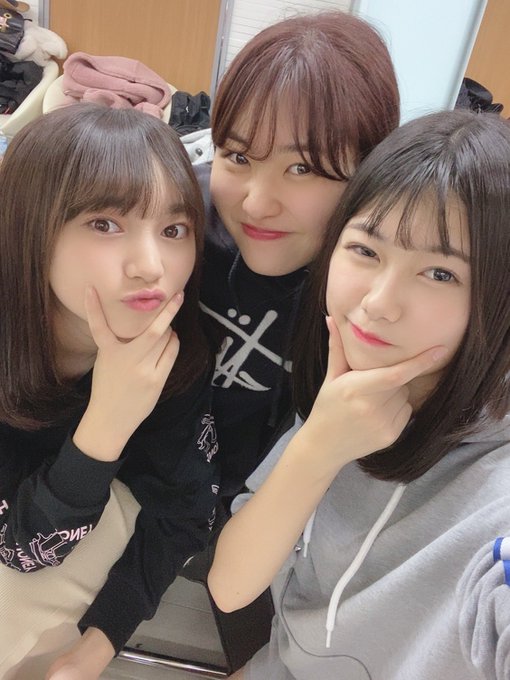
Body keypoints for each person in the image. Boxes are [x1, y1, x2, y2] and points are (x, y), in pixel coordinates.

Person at [208, 109, 510, 680]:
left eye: (441, 274)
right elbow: (231, 586)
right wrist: (320, 445)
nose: (378, 303)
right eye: (366, 251)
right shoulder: (353, 389)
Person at [0, 103, 219, 679]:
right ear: (30, 227)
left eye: (173, 230)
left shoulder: (175, 355)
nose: (151, 266)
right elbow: (20, 549)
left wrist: (95, 649)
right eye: (105, 224)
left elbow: (184, 512)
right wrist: (108, 420)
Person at [196, 10, 400, 502]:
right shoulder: (173, 228)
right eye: (239, 157)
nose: (256, 205)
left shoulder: (382, 299)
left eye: (303, 168)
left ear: (371, 172)